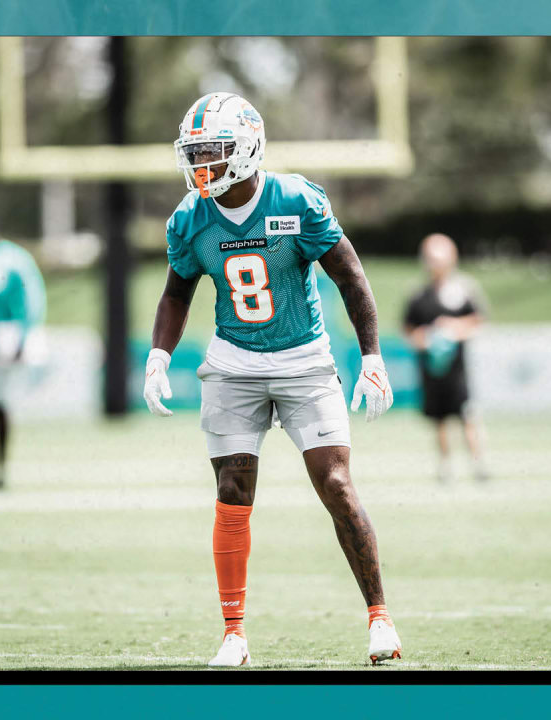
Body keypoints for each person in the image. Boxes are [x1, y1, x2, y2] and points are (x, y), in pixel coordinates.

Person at [142, 92, 399, 667]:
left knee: (335, 484)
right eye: (195, 151)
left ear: (249, 146)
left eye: (214, 150)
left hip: (304, 359)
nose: (202, 163)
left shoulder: (296, 199)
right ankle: (234, 633)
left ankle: (379, 616)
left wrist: (372, 357)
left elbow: (351, 277)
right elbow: (176, 290)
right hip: (233, 362)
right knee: (232, 494)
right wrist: (159, 355)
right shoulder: (190, 216)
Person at [403, 233, 488, 483]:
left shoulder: (463, 289)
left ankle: (478, 463)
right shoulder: (419, 295)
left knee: (467, 415)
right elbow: (409, 329)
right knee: (439, 419)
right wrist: (425, 338)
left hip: (457, 368)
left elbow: (477, 320)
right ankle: (445, 465)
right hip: (431, 368)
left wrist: (453, 328)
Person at [0, 216, 46, 491]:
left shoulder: (13, 260)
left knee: (2, 406)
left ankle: (1, 467)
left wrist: (23, 338)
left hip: (1, 348)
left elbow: (30, 301)